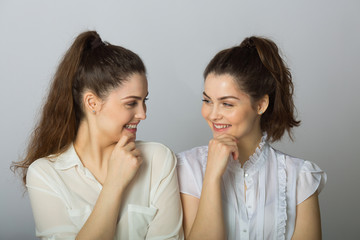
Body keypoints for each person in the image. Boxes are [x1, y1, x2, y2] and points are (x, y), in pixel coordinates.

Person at [12, 31, 183, 240]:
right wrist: (114, 184)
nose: (143, 114)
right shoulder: (45, 175)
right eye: (131, 103)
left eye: (144, 101)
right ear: (92, 103)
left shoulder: (159, 159)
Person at [176, 36, 326, 240]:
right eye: (207, 101)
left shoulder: (300, 177)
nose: (212, 114)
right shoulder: (187, 168)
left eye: (227, 104)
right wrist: (211, 176)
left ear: (260, 105)